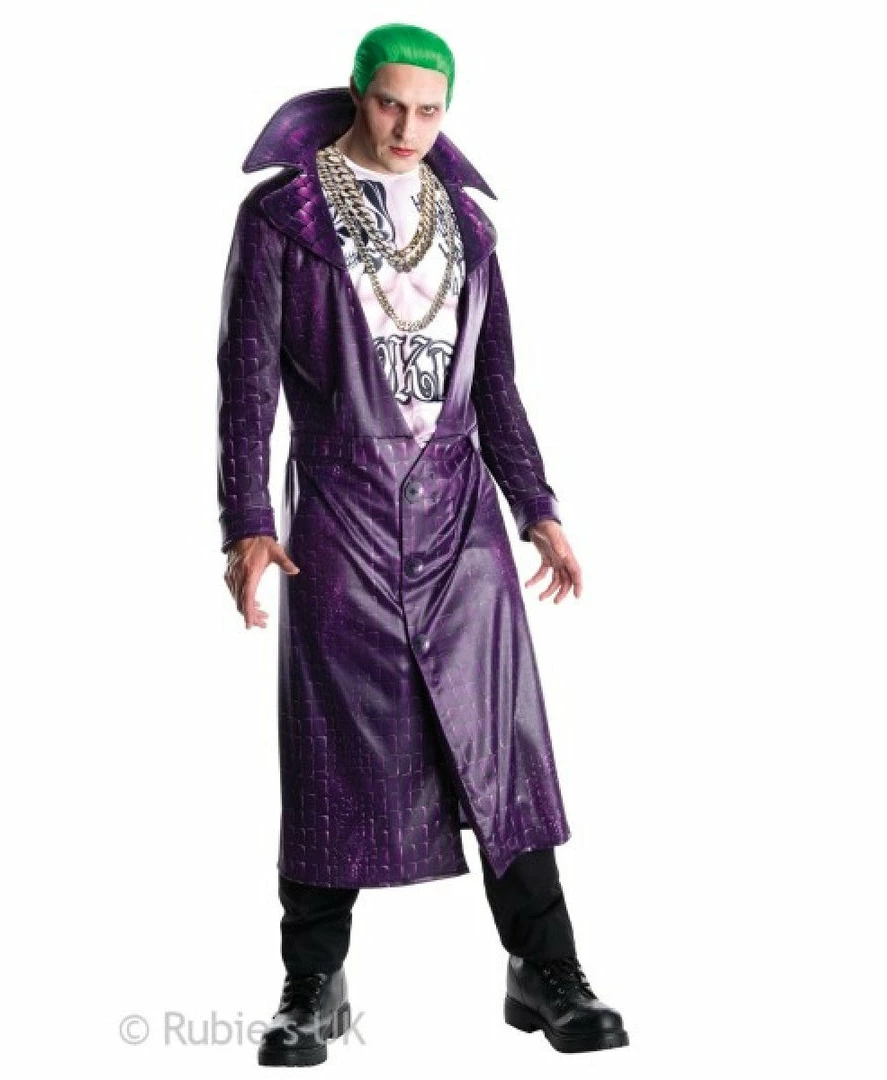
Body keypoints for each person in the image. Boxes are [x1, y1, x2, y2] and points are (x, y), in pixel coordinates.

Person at [215, 23, 629, 1066]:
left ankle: (546, 968)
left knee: (502, 742)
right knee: (330, 743)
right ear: (357, 93)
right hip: (339, 513)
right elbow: (246, 380)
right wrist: (248, 522)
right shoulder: (283, 218)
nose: (408, 128)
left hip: (459, 518)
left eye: (430, 109)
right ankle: (312, 984)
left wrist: (537, 506)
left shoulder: (469, 227)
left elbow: (497, 385)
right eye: (390, 103)